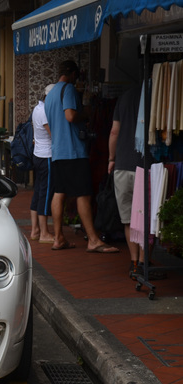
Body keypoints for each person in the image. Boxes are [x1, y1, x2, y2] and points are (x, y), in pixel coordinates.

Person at [44, 60, 119, 253]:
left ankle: (58, 238)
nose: (76, 80)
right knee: (83, 194)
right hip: (74, 151)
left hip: (58, 151)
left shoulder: (50, 95)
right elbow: (70, 116)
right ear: (71, 73)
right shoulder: (67, 89)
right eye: (76, 76)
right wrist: (85, 114)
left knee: (59, 192)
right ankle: (93, 239)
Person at [108, 85, 150, 274]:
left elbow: (114, 132)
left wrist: (111, 158)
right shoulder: (154, 94)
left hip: (122, 165)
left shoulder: (123, 97)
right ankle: (143, 262)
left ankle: (133, 263)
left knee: (128, 219)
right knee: (145, 217)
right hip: (145, 165)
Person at [30, 84, 55, 244]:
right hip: (46, 155)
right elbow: (53, 133)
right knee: (45, 194)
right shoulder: (46, 111)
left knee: (38, 191)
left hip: (38, 153)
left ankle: (35, 230)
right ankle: (44, 232)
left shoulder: (37, 109)